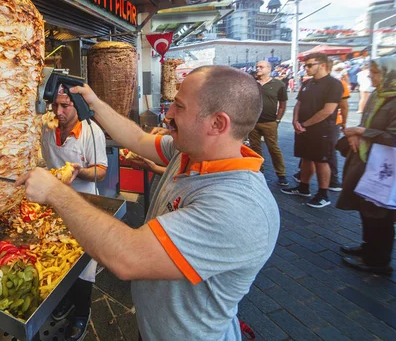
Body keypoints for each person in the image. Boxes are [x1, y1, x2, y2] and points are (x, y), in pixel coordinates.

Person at [17, 66, 280, 340]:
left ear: (217, 124)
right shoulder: (190, 152)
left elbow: (128, 257)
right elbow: (138, 138)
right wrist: (93, 102)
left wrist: (55, 192)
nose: (168, 114)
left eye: (179, 106)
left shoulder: (238, 208)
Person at [41, 86, 108, 340]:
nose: (58, 112)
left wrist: (80, 172)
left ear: (77, 105)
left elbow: (101, 170)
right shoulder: (48, 131)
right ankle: (64, 301)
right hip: (56, 203)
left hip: (84, 203)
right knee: (58, 258)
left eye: (65, 106)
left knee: (83, 265)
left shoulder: (92, 132)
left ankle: (82, 313)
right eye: (55, 106)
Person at [337, 56, 396, 275]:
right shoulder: (377, 94)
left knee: (380, 215)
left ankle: (378, 262)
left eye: (375, 72)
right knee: (367, 209)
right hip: (368, 162)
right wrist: (357, 135)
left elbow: (393, 137)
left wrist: (361, 133)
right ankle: (368, 248)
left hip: (385, 169)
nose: (370, 75)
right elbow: (366, 124)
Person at [282, 53, 343, 208]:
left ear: (322, 65)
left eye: (309, 65)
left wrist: (305, 124)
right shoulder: (307, 83)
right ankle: (303, 187)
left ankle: (323, 194)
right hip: (303, 128)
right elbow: (299, 104)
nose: (306, 69)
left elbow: (328, 110)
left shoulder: (334, 84)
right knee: (306, 158)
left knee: (321, 161)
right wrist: (295, 121)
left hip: (322, 130)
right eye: (305, 65)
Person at [248, 61, 289, 186]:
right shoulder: (252, 84)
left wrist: (277, 119)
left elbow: (282, 104)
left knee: (273, 148)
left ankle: (281, 174)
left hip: (270, 122)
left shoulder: (278, 84)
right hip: (253, 122)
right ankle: (259, 171)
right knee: (255, 149)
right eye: (257, 67)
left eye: (261, 67)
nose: (258, 68)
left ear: (269, 69)